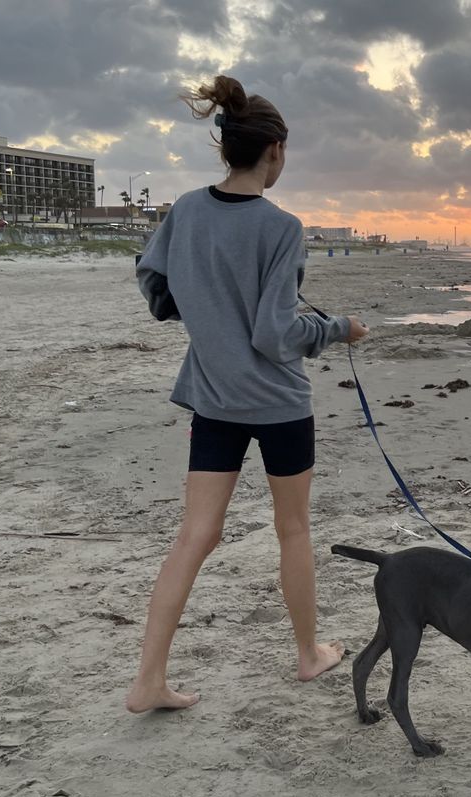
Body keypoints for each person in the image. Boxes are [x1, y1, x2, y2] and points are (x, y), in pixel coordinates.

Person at [126, 75, 369, 713]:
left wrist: (202, 314)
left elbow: (153, 280)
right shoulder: (282, 227)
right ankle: (309, 655)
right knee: (293, 530)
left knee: (194, 535)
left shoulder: (184, 209)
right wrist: (338, 328)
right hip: (281, 404)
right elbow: (276, 333)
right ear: (275, 151)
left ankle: (147, 680)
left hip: (213, 400)